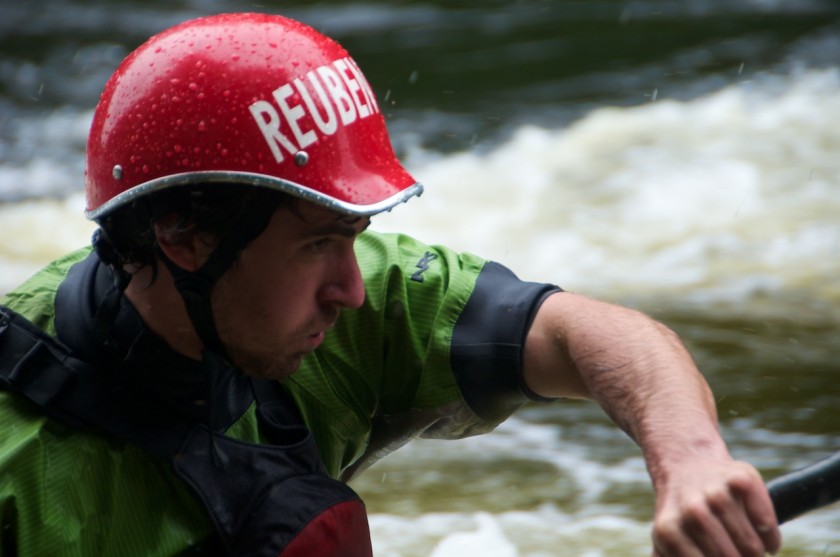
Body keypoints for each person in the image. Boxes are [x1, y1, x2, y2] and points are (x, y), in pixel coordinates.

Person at [0, 12, 781, 556]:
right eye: (317, 244)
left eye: (354, 239)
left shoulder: (338, 309)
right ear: (184, 237)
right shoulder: (20, 473)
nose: (353, 289)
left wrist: (691, 462)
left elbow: (586, 333)